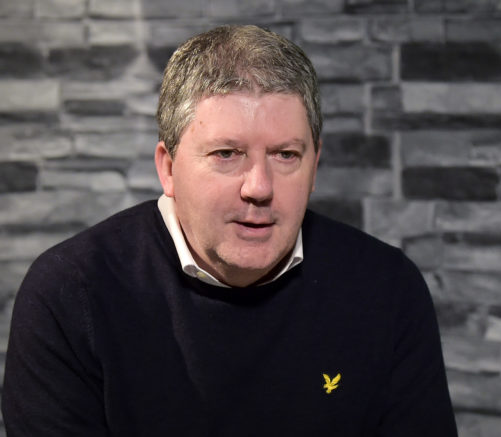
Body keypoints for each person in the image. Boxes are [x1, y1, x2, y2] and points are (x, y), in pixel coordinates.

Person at [2, 24, 458, 436]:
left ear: (314, 166)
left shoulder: (386, 288)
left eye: (285, 155)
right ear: (168, 169)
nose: (259, 187)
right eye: (226, 154)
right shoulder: (70, 294)